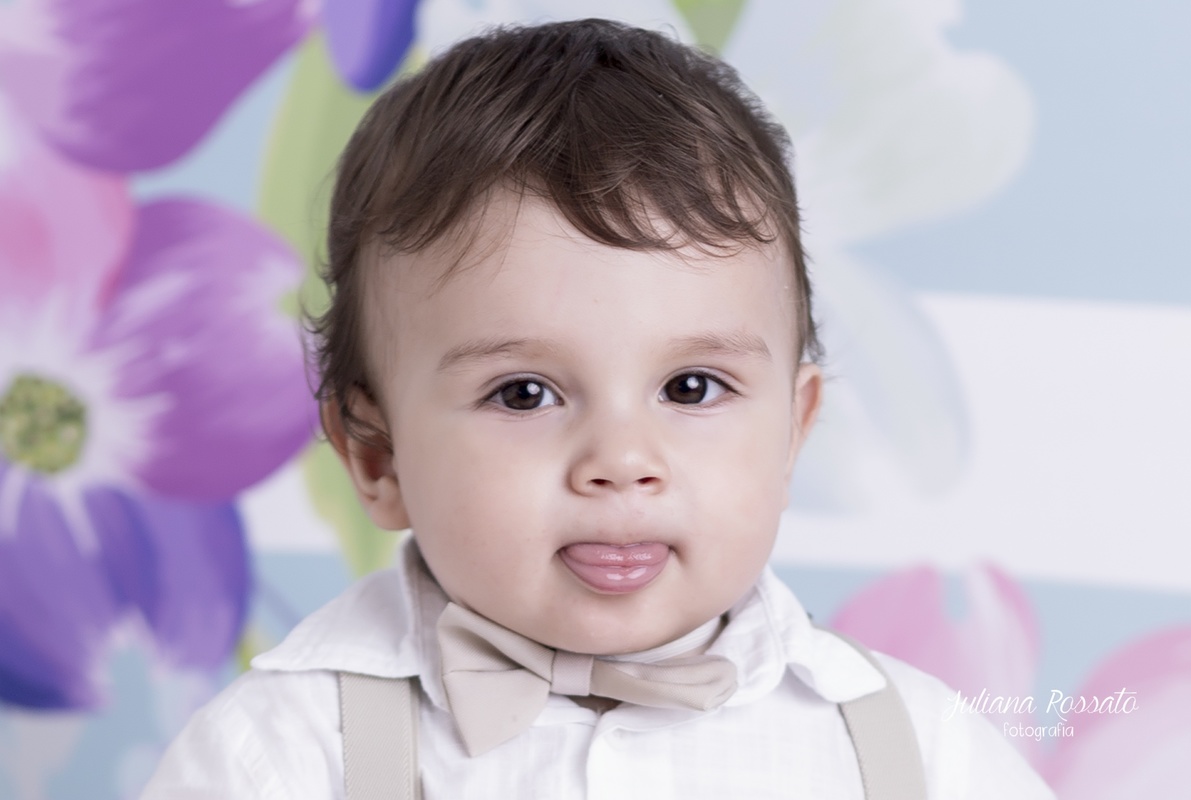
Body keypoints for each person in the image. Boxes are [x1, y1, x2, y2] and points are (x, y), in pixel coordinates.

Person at [144, 18, 1054, 799]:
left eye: (691, 388)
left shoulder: (921, 758)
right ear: (377, 457)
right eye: (525, 393)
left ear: (793, 429)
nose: (622, 458)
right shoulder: (279, 758)